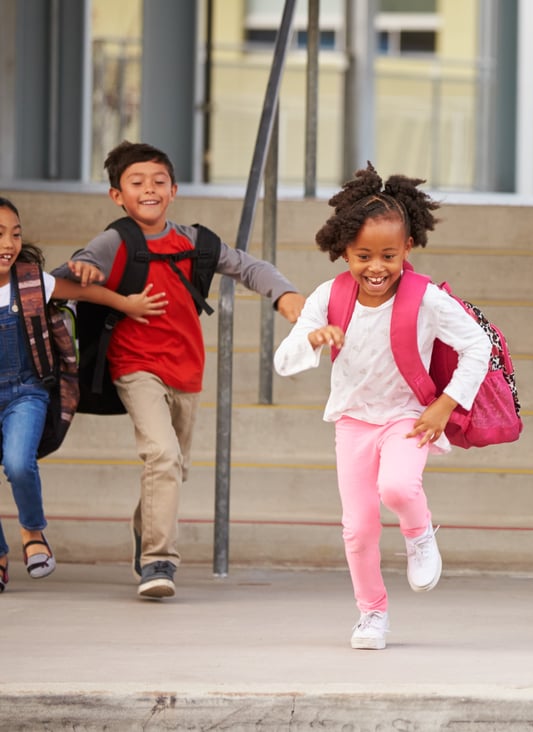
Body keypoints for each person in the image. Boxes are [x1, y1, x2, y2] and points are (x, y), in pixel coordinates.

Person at [53, 141, 306, 600]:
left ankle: (144, 527)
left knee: (174, 467)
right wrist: (88, 272)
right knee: (163, 457)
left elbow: (249, 266)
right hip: (135, 367)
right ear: (117, 196)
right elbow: (63, 278)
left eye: (157, 181)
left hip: (187, 370)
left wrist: (284, 295)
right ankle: (157, 561)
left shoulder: (195, 242)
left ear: (174, 189)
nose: (148, 189)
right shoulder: (115, 241)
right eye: (136, 183)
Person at [274, 164, 491, 651]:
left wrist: (444, 405)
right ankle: (372, 613)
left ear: (408, 247)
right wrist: (312, 337)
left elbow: (479, 346)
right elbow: (284, 362)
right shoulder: (329, 296)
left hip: (407, 417)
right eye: (362, 255)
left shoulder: (427, 298)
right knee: (357, 529)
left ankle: (418, 533)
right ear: (344, 250)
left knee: (397, 487)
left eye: (389, 255)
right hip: (353, 422)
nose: (376, 267)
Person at [0, 197, 165, 592]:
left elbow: (86, 293)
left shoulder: (31, 280)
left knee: (18, 463)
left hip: (26, 390)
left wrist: (128, 303)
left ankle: (32, 532)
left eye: (15, 234)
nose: (8, 243)